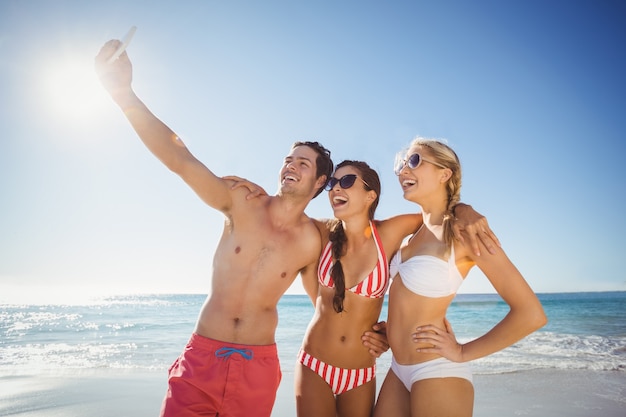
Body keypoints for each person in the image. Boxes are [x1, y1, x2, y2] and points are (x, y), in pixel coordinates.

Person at [93, 39, 391, 417]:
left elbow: (332, 308)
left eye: (303, 163)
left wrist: (380, 333)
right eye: (288, 159)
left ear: (319, 182)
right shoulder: (240, 202)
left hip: (257, 366)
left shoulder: (314, 238)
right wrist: (123, 94)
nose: (291, 165)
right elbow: (180, 159)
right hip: (201, 357)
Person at [231, 161, 498, 417]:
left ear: (370, 196)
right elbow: (285, 213)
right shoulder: (323, 231)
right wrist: (261, 196)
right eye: (333, 183)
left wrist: (465, 210)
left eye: (346, 181)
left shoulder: (391, 232)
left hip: (359, 373)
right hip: (314, 364)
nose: (336, 187)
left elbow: (436, 214)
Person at [373, 138, 548, 417]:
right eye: (403, 163)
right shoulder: (411, 236)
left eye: (415, 161)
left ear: (445, 174)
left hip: (437, 370)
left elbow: (531, 314)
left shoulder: (465, 233)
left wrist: (463, 352)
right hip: (397, 369)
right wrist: (390, 330)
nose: (404, 170)